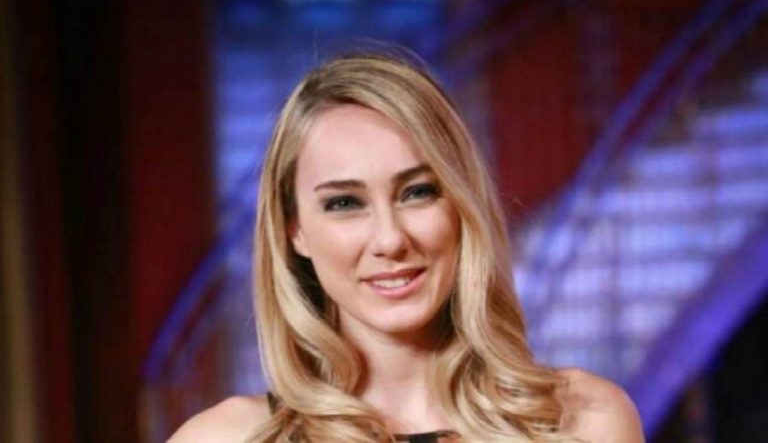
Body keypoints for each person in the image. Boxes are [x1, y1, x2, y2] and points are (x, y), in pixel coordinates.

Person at [170, 53, 644, 442]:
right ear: (295, 232)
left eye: (417, 192)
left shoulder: (584, 421)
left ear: (461, 204)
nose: (391, 239)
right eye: (344, 203)